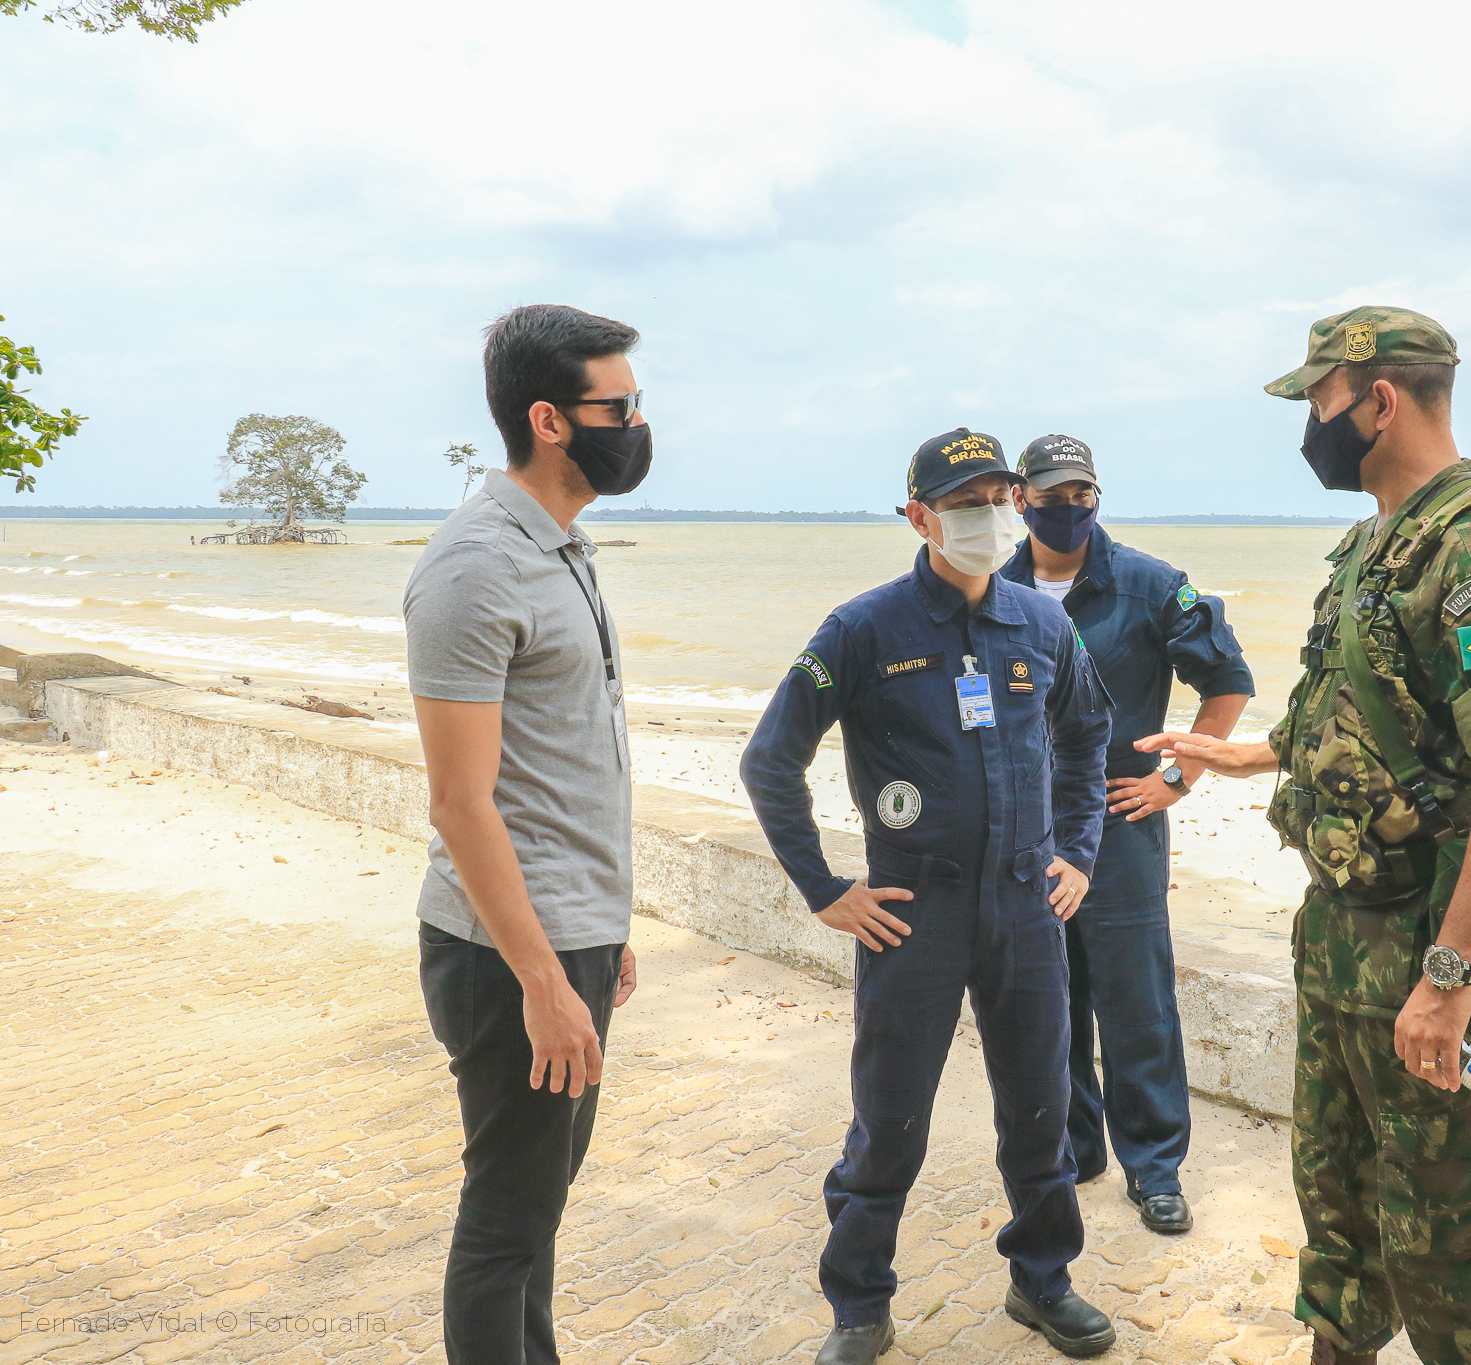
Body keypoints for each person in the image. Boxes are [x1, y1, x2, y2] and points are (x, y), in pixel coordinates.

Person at [1138, 306, 1471, 1365]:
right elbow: (1362, 709)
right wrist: (1248, 756)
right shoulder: (1372, 544)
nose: (1311, 427)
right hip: (1342, 939)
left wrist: (1448, 979)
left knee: (1449, 1249)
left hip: (1426, 946)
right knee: (1339, 1214)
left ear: (1378, 400)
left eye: (1318, 404)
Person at [740, 428, 1118, 1364]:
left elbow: (1088, 736)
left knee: (1040, 1111)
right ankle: (860, 1303)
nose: (990, 517)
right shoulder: (864, 629)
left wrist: (1077, 851)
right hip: (915, 916)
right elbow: (770, 758)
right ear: (919, 516)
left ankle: (1043, 1281)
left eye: (1000, 497)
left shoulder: (1042, 624)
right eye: (966, 503)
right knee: (889, 1119)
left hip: (1029, 908)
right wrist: (826, 888)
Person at [402, 303, 654, 1364]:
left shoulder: (560, 546)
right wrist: (545, 981)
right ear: (549, 420)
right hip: (510, 957)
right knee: (505, 1224)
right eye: (619, 406)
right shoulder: (477, 567)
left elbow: (560, 768)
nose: (638, 423)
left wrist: (602, 928)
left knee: (534, 1213)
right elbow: (461, 804)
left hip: (567, 934)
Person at [995, 433, 1254, 1235]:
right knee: (1050, 998)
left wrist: (1177, 779)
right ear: (1019, 499)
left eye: (1082, 494)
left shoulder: (1148, 586)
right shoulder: (990, 588)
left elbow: (1228, 682)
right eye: (1051, 495)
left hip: (1120, 825)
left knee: (1137, 1003)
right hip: (1026, 835)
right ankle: (1076, 1146)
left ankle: (1156, 1166)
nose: (1067, 509)